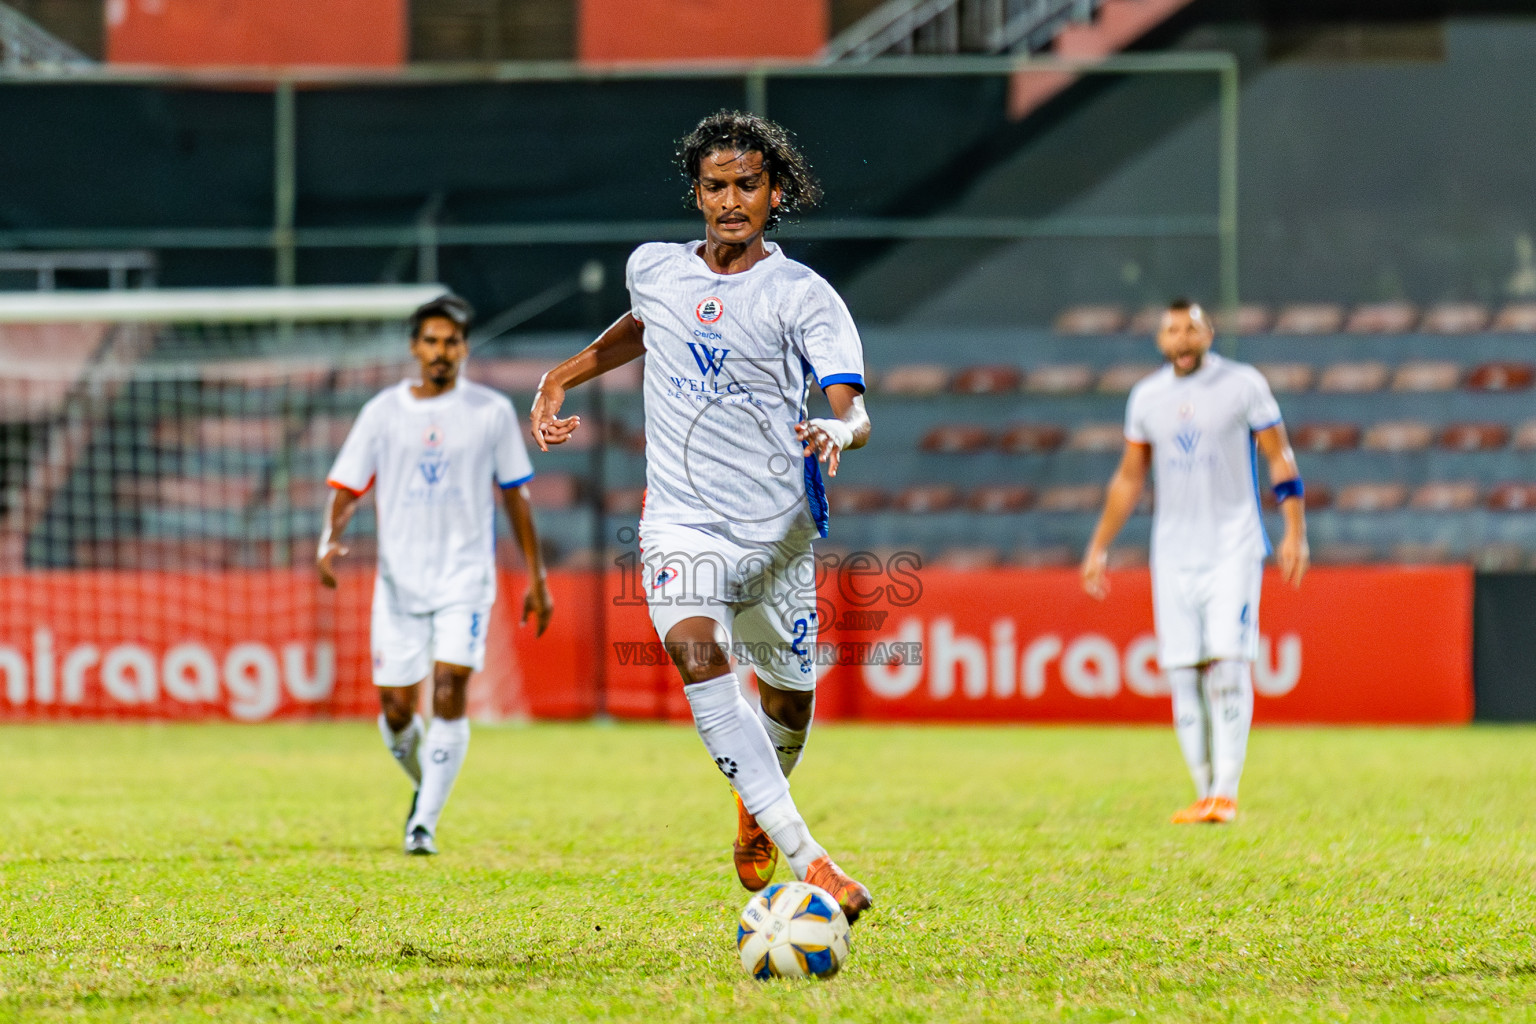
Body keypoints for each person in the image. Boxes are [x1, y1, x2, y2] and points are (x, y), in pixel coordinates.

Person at [529, 111, 873, 922]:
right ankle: (809, 858)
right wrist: (561, 376)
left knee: (790, 700)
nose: (730, 200)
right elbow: (645, 327)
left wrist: (838, 428)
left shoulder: (802, 295)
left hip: (778, 533)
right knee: (696, 651)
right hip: (682, 525)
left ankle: (758, 804)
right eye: (715, 186)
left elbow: (852, 408)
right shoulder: (654, 268)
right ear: (697, 192)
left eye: (747, 185)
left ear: (774, 193)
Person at [318, 293, 553, 855]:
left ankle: (423, 823)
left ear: (464, 348)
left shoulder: (491, 412)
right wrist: (329, 539)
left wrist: (537, 578)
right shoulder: (382, 412)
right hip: (399, 584)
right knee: (397, 710)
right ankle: (430, 789)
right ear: (414, 347)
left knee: (449, 691)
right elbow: (348, 487)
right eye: (431, 340)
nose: (441, 350)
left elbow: (516, 497)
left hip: (464, 580)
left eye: (451, 341)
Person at [1080, 299, 1308, 824]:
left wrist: (1294, 530)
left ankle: (1225, 792)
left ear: (1208, 333)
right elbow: (1130, 476)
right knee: (1184, 673)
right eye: (1171, 331)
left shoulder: (1243, 384)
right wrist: (1099, 545)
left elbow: (1280, 456)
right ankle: (1204, 792)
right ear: (1160, 340)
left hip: (1234, 545)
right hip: (1173, 553)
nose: (1181, 339)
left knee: (1228, 664)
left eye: (1190, 328)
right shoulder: (1148, 397)